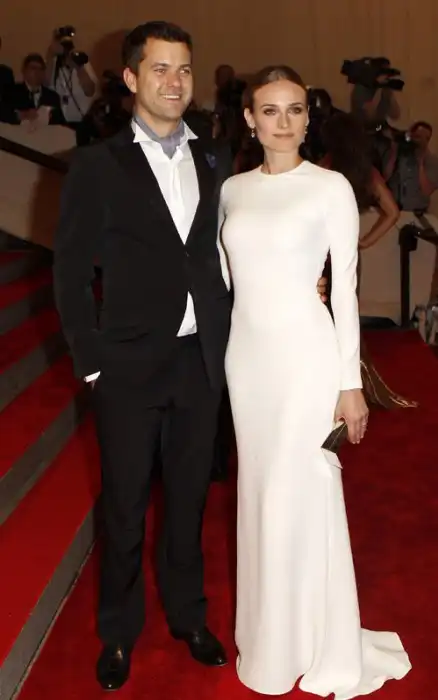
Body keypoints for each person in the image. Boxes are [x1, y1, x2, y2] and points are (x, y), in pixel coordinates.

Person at [219, 66, 412, 697]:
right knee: (259, 494)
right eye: (270, 110)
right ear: (249, 119)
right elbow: (226, 280)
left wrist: (348, 382)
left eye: (295, 109)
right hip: (247, 362)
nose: (283, 122)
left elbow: (345, 288)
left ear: (308, 118)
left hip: (306, 357)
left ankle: (314, 638)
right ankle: (271, 642)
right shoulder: (232, 190)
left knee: (300, 491)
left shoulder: (329, 188)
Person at [54, 21, 233, 691]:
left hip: (200, 362)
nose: (174, 82)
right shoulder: (97, 165)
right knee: (125, 509)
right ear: (131, 77)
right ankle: (118, 633)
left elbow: (226, 251)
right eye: (159, 68)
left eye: (183, 68)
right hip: (127, 366)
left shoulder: (214, 158)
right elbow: (70, 270)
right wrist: (93, 360)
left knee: (188, 503)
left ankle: (189, 617)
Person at [320, 112, 417, 410]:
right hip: (348, 252)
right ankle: (350, 383)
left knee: (322, 317)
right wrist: (365, 241)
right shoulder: (365, 171)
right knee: (346, 315)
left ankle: (325, 386)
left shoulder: (322, 167)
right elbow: (392, 211)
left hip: (319, 252)